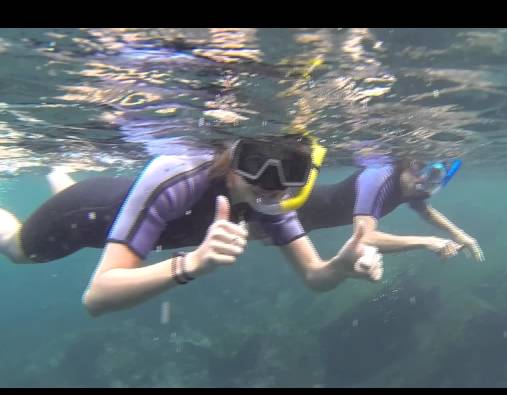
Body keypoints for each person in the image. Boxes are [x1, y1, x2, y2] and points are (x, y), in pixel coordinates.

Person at [0, 133, 383, 316]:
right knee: (17, 249)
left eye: (289, 173)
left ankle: (59, 176)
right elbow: (96, 297)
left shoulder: (270, 197)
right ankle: (55, 189)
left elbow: (315, 277)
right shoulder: (180, 175)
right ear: (233, 154)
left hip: (115, 207)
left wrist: (340, 268)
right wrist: (192, 264)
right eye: (256, 163)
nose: (270, 183)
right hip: (81, 217)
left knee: (89, 205)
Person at [296, 156, 485, 262]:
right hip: (291, 207)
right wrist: (429, 241)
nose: (423, 185)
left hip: (302, 224)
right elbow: (365, 238)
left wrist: (458, 234)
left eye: (431, 180)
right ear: (408, 163)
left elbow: (426, 211)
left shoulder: (410, 184)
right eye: (422, 173)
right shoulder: (377, 177)